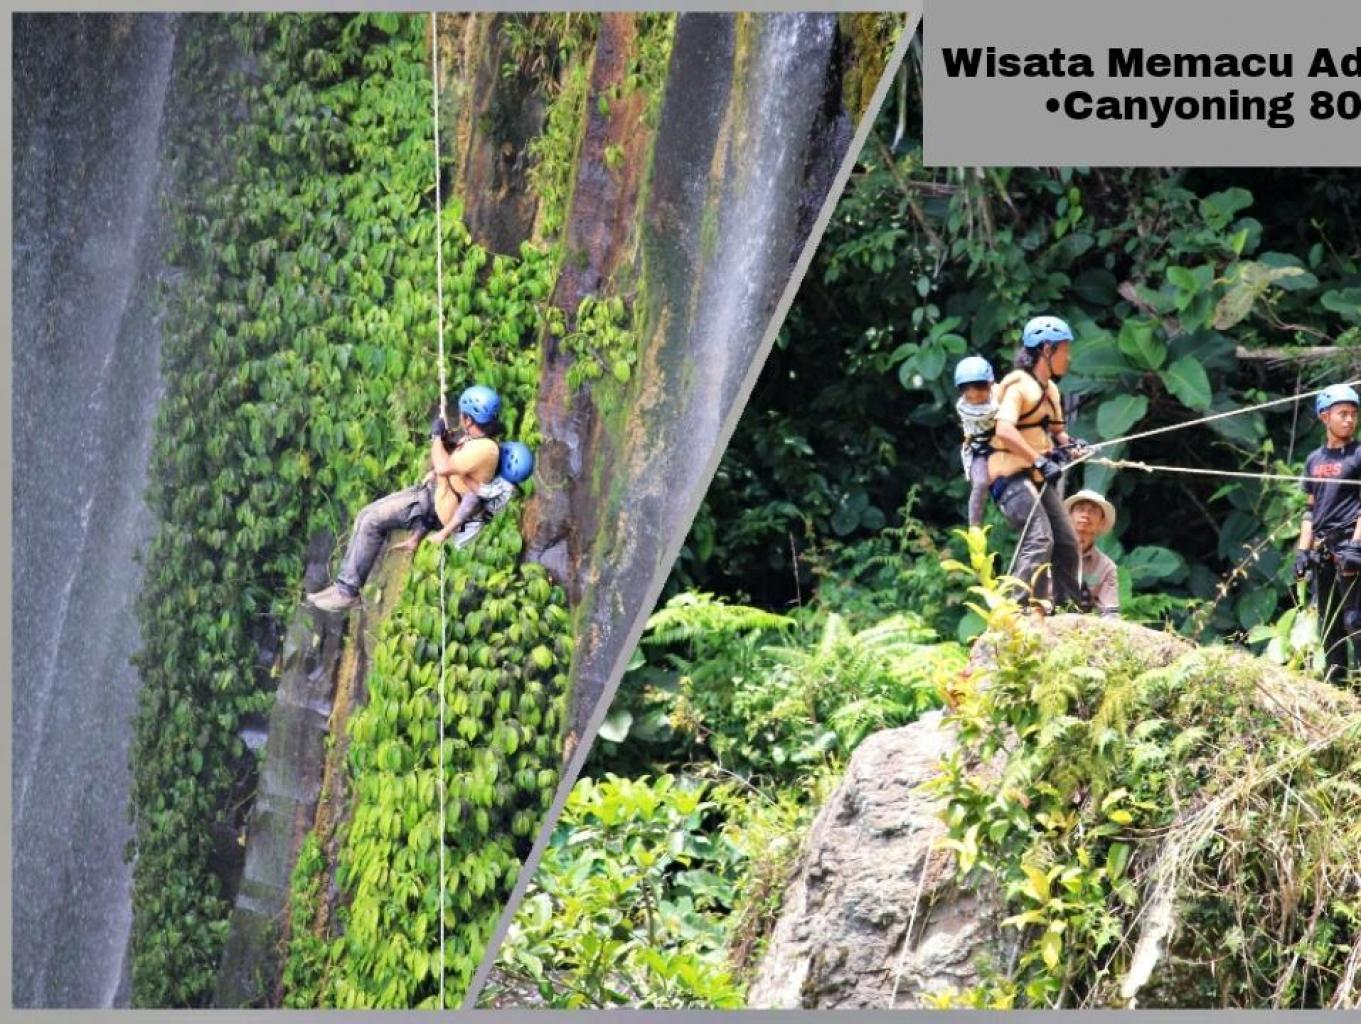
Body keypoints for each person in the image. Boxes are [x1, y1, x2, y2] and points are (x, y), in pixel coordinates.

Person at [307, 384, 505, 612]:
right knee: (365, 515)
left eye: (462, 415)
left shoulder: (485, 449)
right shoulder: (476, 441)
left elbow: (443, 467)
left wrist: (435, 438)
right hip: (432, 496)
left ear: (469, 419)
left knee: (372, 520)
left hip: (434, 503)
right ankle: (344, 585)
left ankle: (347, 592)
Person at [987, 315, 1086, 611]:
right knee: (1040, 538)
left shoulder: (1050, 391)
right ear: (1046, 350)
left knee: (1067, 542)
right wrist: (1040, 461)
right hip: (1012, 480)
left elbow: (1057, 432)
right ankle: (1013, 611)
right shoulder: (1020, 387)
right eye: (1064, 350)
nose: (1068, 357)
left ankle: (1069, 611)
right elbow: (1004, 429)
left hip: (1036, 477)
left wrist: (1072, 446)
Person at [1294, 383, 1361, 684]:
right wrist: (1302, 550)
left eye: (1353, 414)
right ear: (1325, 417)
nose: (1349, 420)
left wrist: (1357, 546)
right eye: (1342, 414)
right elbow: (1310, 510)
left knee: (1354, 620)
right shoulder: (1314, 460)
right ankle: (1336, 689)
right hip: (1323, 549)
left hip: (1350, 542)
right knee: (1329, 623)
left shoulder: (1358, 455)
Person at [954, 355, 998, 528]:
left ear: (990, 384)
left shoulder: (997, 395)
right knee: (980, 483)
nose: (973, 392)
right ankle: (975, 528)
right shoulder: (963, 406)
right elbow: (992, 411)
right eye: (966, 388)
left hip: (1003, 446)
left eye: (979, 386)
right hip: (980, 450)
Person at [1065, 489, 1120, 617]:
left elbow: (1110, 611)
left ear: (1101, 522)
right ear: (1069, 517)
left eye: (1093, 511)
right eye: (1080, 509)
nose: (1086, 515)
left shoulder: (1106, 567)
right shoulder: (1049, 553)